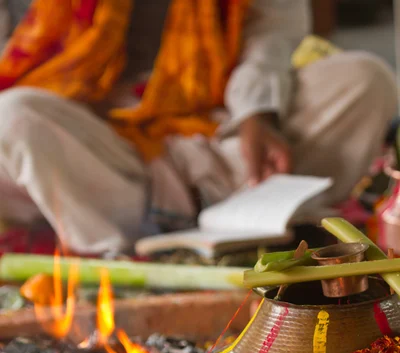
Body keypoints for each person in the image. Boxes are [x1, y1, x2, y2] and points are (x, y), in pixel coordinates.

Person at [0, 0, 395, 254]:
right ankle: (124, 248)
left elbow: (272, 30)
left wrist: (257, 112)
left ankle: (223, 212)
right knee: (13, 117)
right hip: (92, 138)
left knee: (365, 81)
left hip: (218, 123)